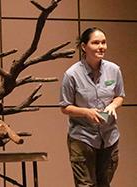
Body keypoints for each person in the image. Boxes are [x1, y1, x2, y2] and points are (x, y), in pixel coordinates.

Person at [59, 27, 125, 187]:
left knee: (104, 184)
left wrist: (113, 105)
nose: (101, 46)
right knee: (86, 185)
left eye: (103, 42)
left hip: (109, 137)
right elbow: (65, 106)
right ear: (83, 47)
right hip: (82, 137)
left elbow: (120, 95)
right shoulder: (72, 74)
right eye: (96, 43)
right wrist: (85, 112)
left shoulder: (114, 70)